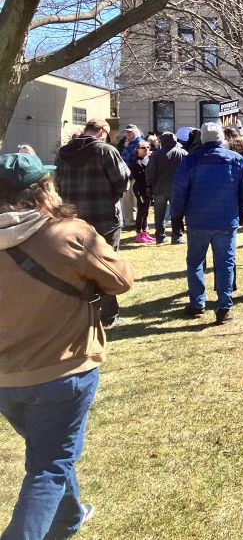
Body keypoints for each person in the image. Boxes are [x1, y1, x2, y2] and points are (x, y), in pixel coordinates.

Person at [0, 152, 134, 539]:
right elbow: (121, 279)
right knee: (49, 463)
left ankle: (69, 516)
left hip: (7, 376)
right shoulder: (68, 233)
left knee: (49, 450)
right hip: (64, 369)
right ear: (43, 189)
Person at [172, 122, 243, 324]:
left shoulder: (190, 161)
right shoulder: (236, 159)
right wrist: (240, 211)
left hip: (197, 220)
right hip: (226, 220)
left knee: (195, 262)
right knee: (225, 263)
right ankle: (224, 307)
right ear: (221, 138)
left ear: (202, 139)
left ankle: (197, 302)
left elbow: (179, 192)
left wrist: (177, 216)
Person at [54, 118, 130, 327]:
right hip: (104, 217)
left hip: (73, 219)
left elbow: (58, 184)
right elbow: (122, 182)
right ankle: (108, 315)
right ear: (103, 131)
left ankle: (81, 313)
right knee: (105, 265)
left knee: (77, 266)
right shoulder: (106, 151)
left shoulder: (63, 153)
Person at [146, 131, 187, 245]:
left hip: (159, 188)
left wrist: (149, 186)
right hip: (178, 189)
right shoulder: (183, 153)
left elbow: (150, 172)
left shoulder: (156, 155)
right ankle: (176, 236)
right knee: (177, 213)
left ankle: (160, 237)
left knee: (159, 214)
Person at [129, 141, 154, 244]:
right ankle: (138, 234)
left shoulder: (149, 160)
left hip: (148, 188)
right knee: (141, 212)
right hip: (140, 189)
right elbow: (139, 177)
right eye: (143, 147)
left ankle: (145, 232)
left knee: (146, 212)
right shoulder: (136, 162)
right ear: (137, 149)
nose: (146, 149)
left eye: (148, 147)